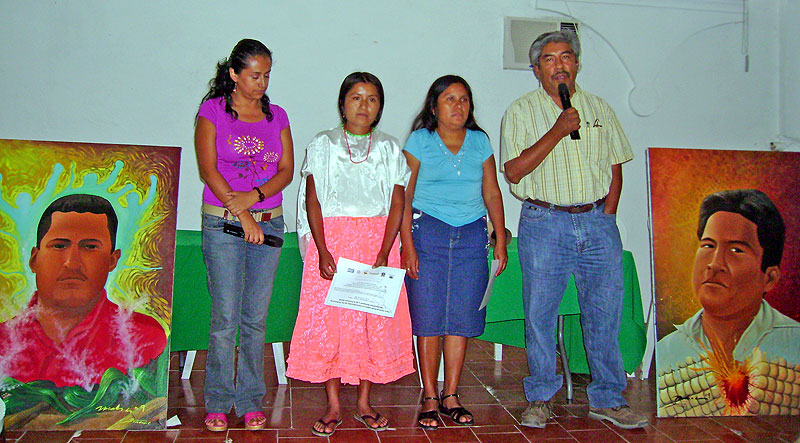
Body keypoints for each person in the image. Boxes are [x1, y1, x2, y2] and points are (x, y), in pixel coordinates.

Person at [500, 30, 648, 429]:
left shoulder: (600, 108)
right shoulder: (520, 112)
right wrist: (558, 130)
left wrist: (608, 215)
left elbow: (616, 165)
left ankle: (607, 397)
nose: (559, 65)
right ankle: (541, 397)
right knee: (540, 314)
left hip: (597, 221)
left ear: (577, 64)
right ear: (536, 69)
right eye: (549, 59)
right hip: (544, 222)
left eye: (567, 56)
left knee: (604, 313)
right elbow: (513, 171)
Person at [287, 72, 414, 437]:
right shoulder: (323, 144)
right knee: (332, 323)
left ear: (380, 107)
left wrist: (386, 249)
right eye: (356, 98)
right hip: (332, 243)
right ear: (342, 103)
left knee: (370, 322)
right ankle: (332, 404)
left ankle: (363, 403)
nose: (364, 105)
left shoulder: (390, 147)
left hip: (377, 244)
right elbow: (313, 198)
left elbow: (397, 201)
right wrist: (322, 247)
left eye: (372, 99)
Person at [194, 38, 293, 432]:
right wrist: (244, 214)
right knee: (225, 318)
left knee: (255, 319)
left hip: (268, 221)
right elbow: (208, 170)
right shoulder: (212, 111)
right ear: (234, 74)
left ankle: (250, 400)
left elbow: (285, 170)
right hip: (224, 224)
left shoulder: (277, 115)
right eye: (254, 75)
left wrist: (255, 198)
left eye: (267, 75)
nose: (261, 83)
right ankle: (218, 401)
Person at [399, 75, 508, 430]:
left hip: (472, 236)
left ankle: (452, 394)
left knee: (460, 317)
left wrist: (500, 239)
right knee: (429, 317)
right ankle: (430, 396)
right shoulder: (420, 140)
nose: (458, 106)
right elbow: (404, 195)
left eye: (464, 100)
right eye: (449, 99)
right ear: (434, 106)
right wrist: (408, 245)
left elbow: (492, 192)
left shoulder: (480, 142)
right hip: (427, 233)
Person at [657, 189, 800, 417]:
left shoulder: (793, 344)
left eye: (736, 250)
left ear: (770, 278)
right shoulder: (668, 350)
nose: (714, 264)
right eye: (708, 245)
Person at [0, 194, 166, 388]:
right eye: (59, 245)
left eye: (90, 247)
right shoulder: (4, 342)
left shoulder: (144, 339)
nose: (72, 263)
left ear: (112, 260)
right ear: (34, 259)